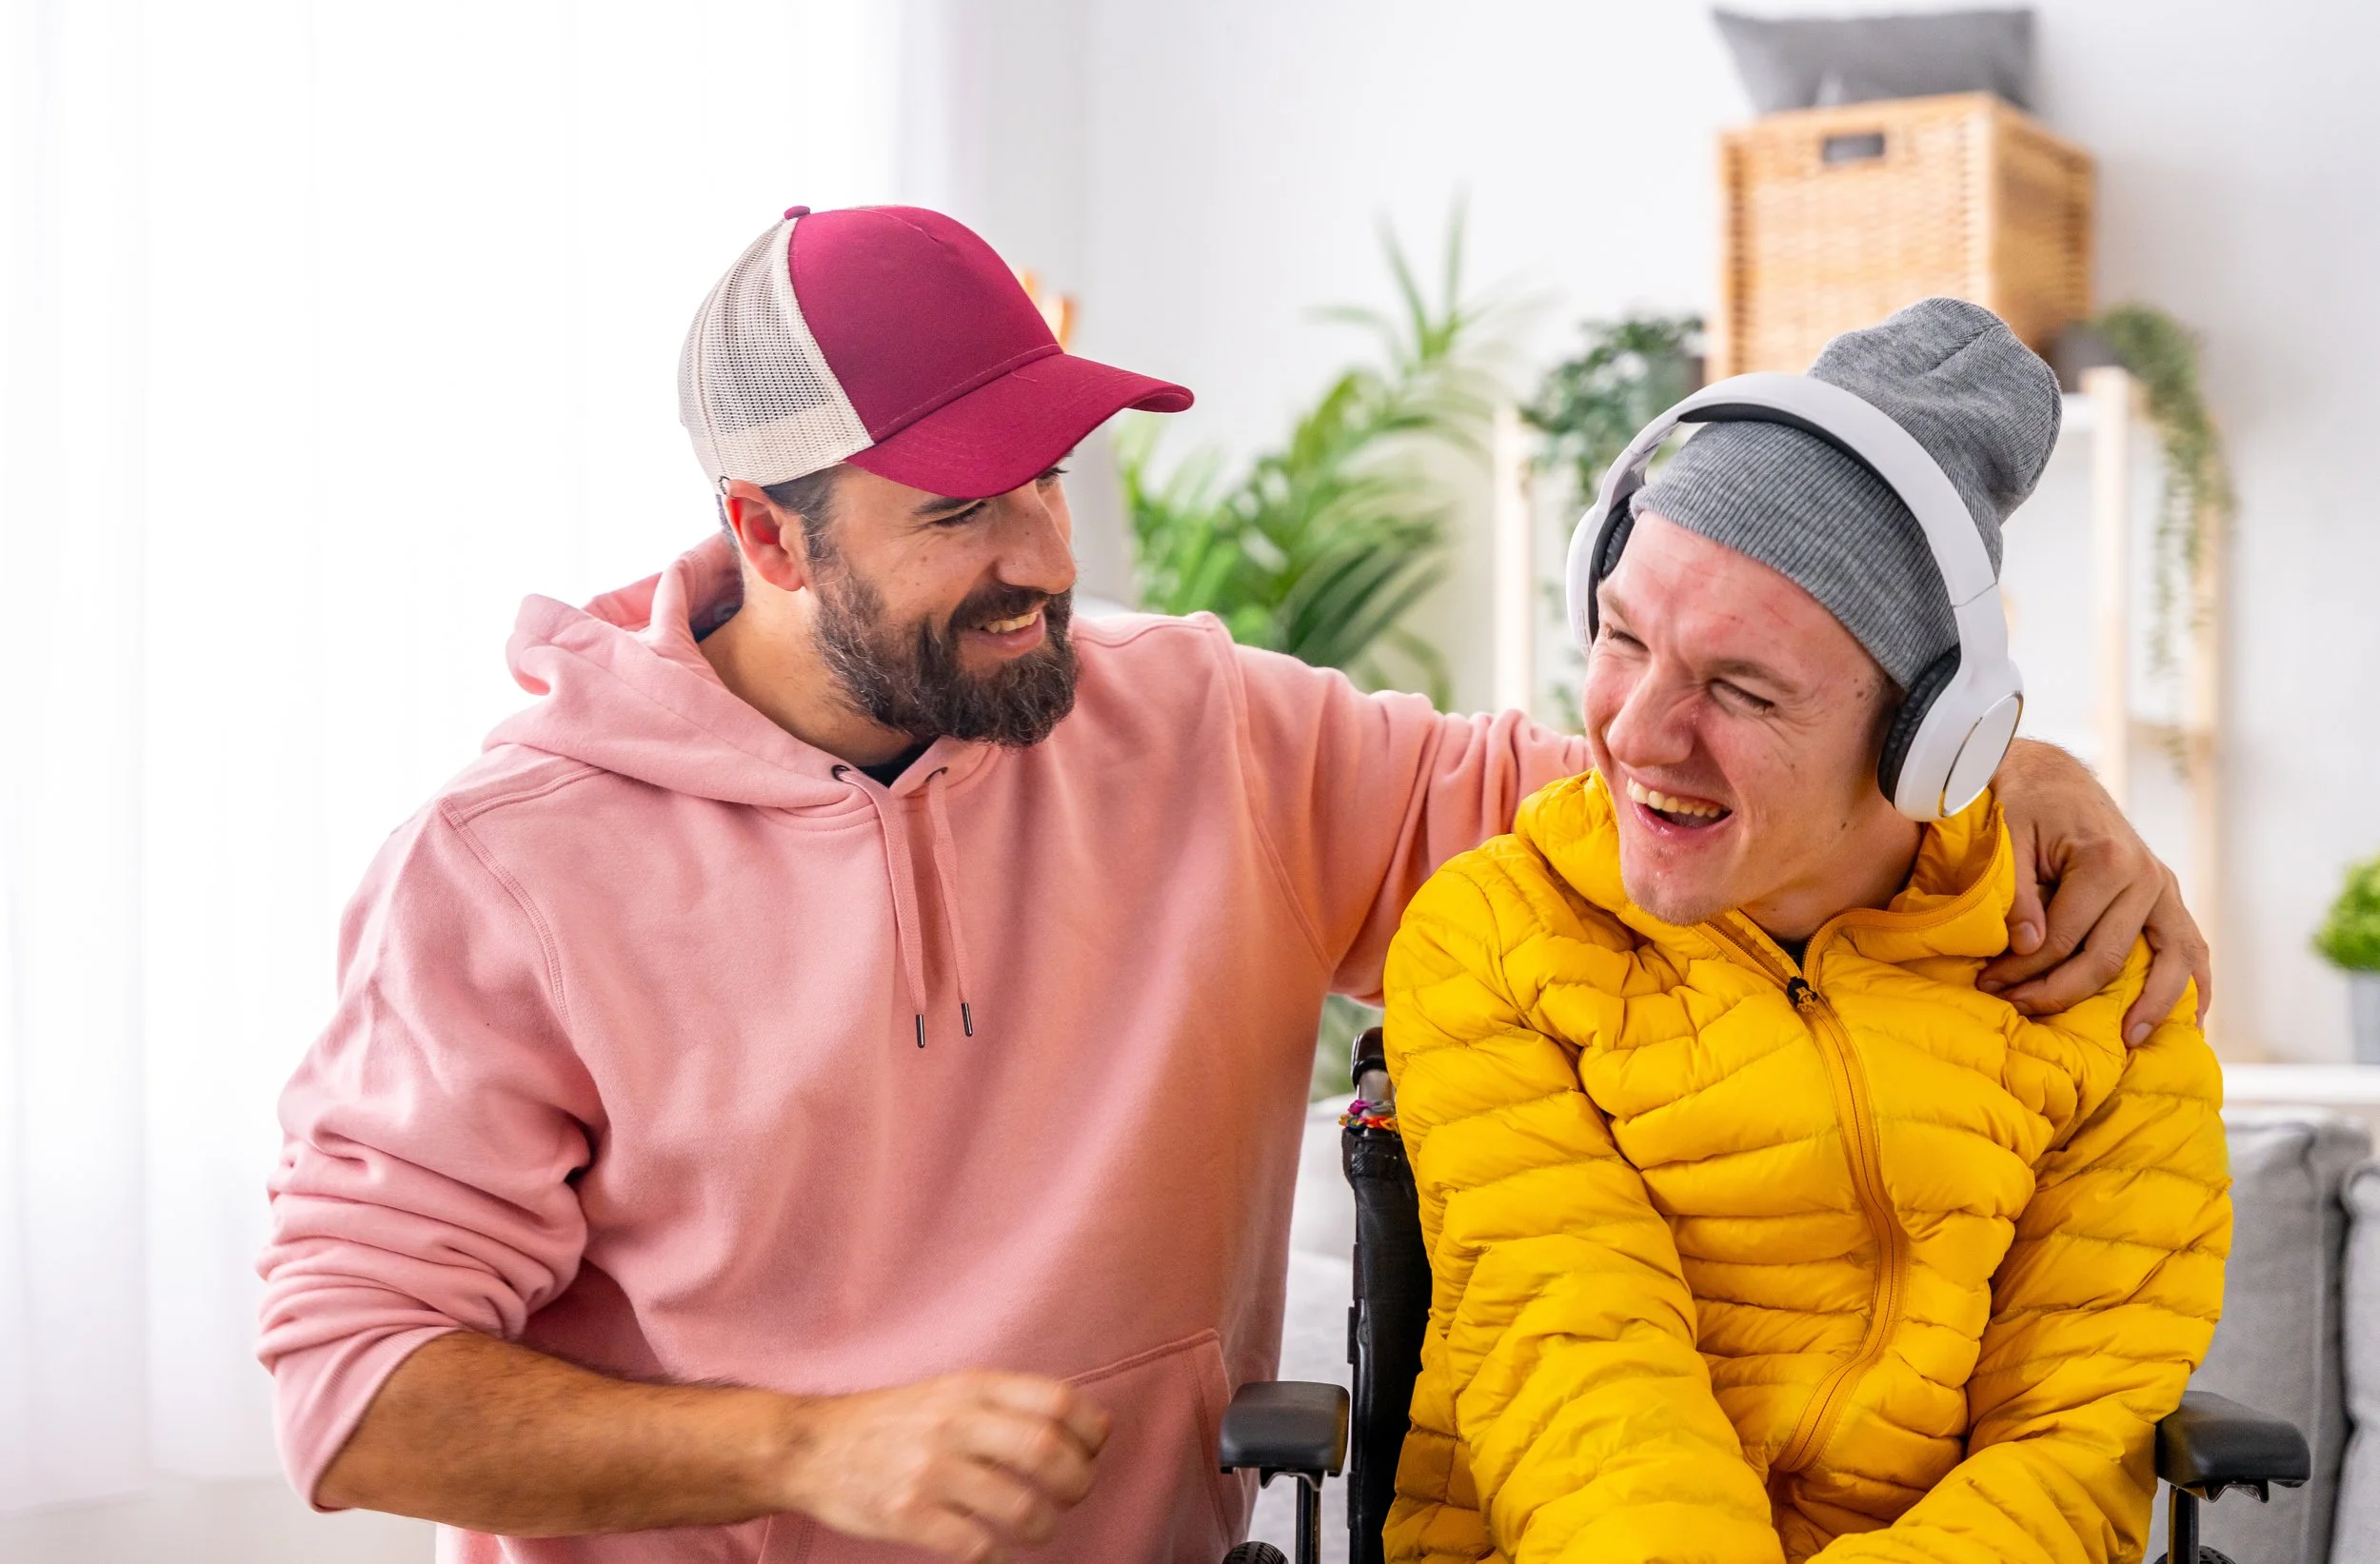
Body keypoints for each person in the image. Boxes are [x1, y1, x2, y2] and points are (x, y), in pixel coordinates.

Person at [258, 209, 2212, 1564]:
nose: (1040, 553)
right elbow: (351, 1389)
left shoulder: (1205, 730)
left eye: (1051, 475)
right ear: (768, 530)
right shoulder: (505, 870)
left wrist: (1995, 766)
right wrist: (806, 1446)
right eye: (959, 510)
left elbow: (1673, 807)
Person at [1380, 299, 2228, 1564]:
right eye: (1622, 638)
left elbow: (2070, 1446)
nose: (1634, 732)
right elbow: (1581, 1383)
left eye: (1739, 687)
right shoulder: (1492, 936)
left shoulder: (2107, 987)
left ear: (1930, 739)